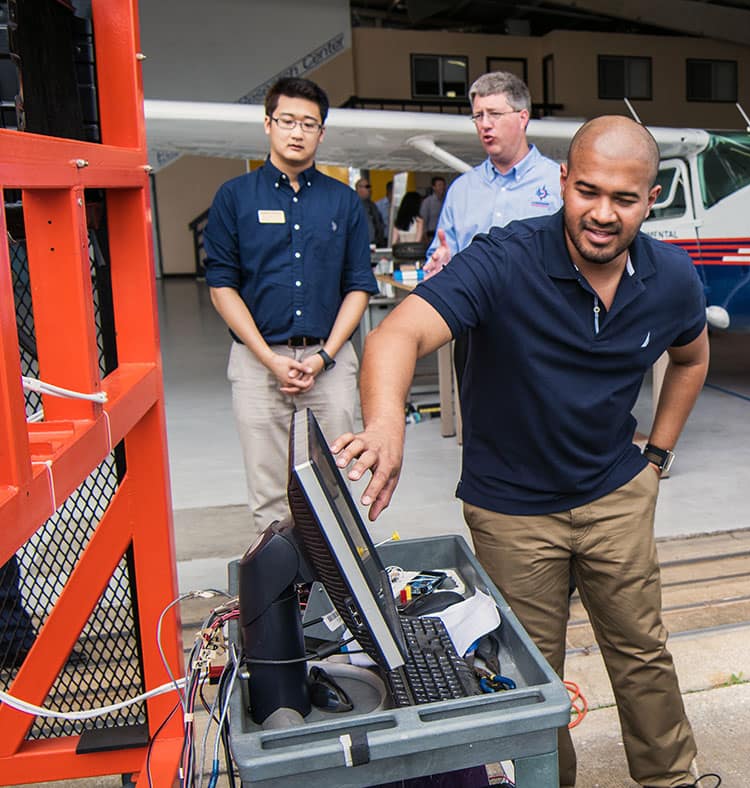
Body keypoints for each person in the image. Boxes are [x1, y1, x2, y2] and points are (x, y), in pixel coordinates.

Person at [332, 117, 712, 788]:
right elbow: (398, 333)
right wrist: (387, 423)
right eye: (587, 191)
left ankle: (671, 780)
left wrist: (656, 456)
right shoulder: (505, 260)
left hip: (614, 494)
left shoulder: (671, 277)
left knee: (642, 654)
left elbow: (691, 356)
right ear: (562, 182)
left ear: (650, 200)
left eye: (624, 199)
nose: (601, 213)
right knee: (529, 678)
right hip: (511, 512)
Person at [202, 76, 375, 531]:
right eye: (287, 121)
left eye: (309, 124)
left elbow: (359, 284)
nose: (297, 132)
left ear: (322, 133)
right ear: (268, 124)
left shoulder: (344, 203)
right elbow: (222, 285)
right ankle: (283, 595)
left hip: (330, 362)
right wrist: (269, 359)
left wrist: (323, 356)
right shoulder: (234, 198)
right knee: (269, 497)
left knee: (332, 486)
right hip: (259, 362)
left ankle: (333, 592)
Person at [423, 70, 562, 276]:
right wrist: (441, 265)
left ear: (523, 118)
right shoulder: (461, 190)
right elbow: (442, 255)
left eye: (495, 114)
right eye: (478, 116)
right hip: (473, 307)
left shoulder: (558, 183)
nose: (485, 124)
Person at [355, 177, 385, 246]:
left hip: (376, 243)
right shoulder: (353, 205)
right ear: (359, 189)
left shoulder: (372, 204)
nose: (370, 189)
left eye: (369, 186)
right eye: (367, 187)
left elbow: (378, 222)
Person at [418, 175, 446, 245]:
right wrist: (425, 237)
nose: (442, 187)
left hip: (444, 236)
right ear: (434, 187)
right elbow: (423, 220)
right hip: (431, 235)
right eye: (439, 185)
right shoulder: (428, 202)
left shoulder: (446, 201)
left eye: (443, 185)